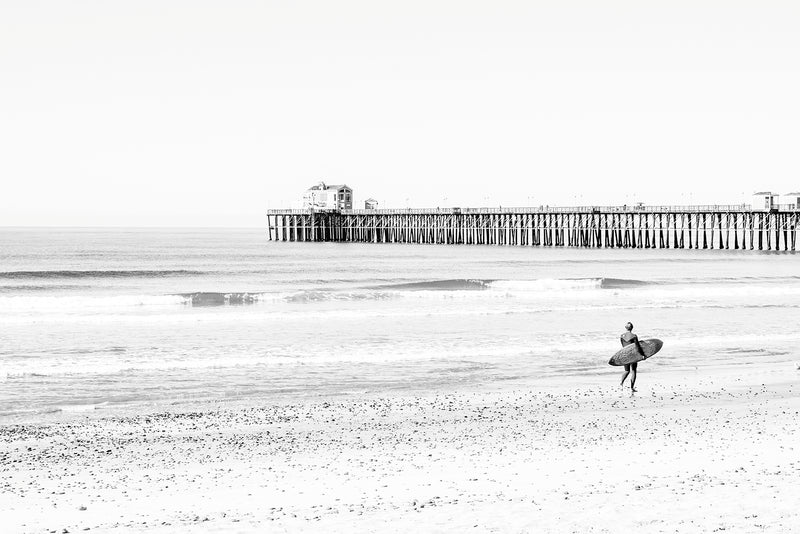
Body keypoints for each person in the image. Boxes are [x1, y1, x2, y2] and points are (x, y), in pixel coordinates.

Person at [620, 322, 645, 391]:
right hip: (633, 355)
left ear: (626, 328)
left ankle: (621, 383)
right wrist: (642, 355)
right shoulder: (634, 336)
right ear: (632, 328)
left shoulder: (622, 336)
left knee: (626, 370)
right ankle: (632, 387)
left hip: (624, 354)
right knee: (633, 370)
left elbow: (623, 345)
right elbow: (637, 347)